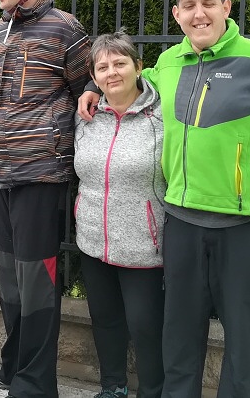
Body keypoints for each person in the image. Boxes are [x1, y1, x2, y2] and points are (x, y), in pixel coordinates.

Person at [77, 0, 250, 397]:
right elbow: (130, 83)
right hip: (181, 223)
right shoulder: (168, 62)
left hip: (242, 227)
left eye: (207, 4)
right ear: (176, 15)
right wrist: (92, 88)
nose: (199, 14)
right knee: (179, 342)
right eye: (189, 6)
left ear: (226, 7)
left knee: (241, 347)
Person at [0, 0, 91, 398]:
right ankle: (15, 365)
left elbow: (87, 89)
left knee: (37, 277)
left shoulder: (65, 28)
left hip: (40, 172)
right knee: (9, 276)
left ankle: (37, 383)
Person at [73, 32, 166, 398]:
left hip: (144, 245)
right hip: (93, 240)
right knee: (105, 320)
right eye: (103, 67)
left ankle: (152, 392)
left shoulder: (163, 116)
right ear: (94, 77)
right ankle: (113, 387)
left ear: (138, 67)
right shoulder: (85, 116)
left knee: (146, 327)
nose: (112, 72)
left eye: (120, 63)